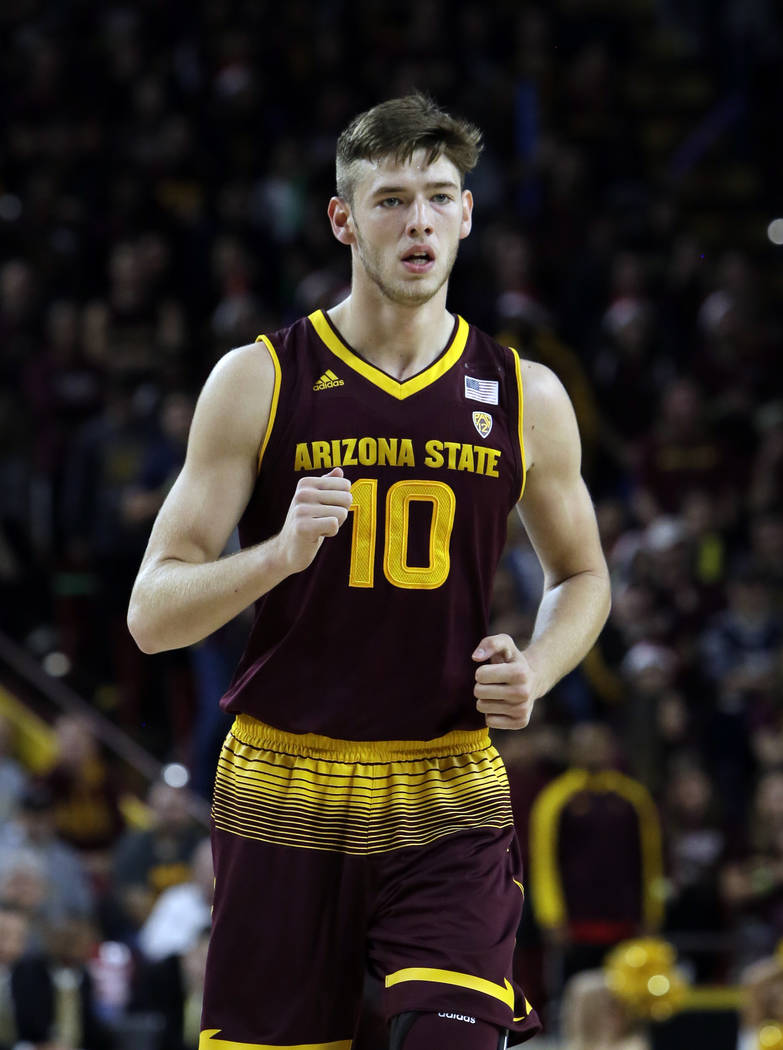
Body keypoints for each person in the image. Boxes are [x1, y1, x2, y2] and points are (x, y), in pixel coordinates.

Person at [127, 94, 611, 1050]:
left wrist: (539, 669)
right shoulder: (259, 379)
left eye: (438, 197)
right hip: (283, 779)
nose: (418, 220)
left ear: (466, 215)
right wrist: (277, 555)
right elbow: (152, 614)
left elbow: (583, 575)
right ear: (343, 219)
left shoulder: (525, 393)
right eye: (390, 199)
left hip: (447, 781)